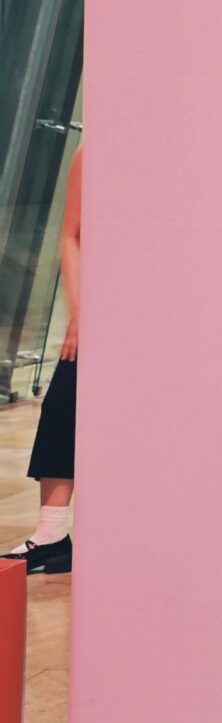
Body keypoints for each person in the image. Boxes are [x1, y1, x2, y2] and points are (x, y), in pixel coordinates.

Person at [7, 142, 79, 576]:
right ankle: (51, 534)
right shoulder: (96, 149)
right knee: (62, 405)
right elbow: (71, 234)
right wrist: (79, 313)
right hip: (106, 309)